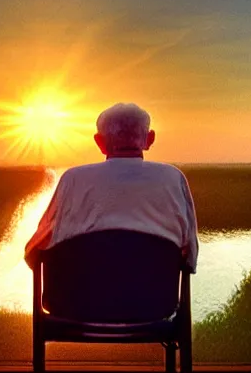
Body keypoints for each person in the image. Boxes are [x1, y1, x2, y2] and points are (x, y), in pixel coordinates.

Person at [24, 103, 198, 273]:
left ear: (99, 142)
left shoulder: (72, 179)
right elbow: (190, 256)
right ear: (149, 139)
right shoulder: (173, 178)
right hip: (156, 300)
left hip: (78, 300)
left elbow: (36, 247)